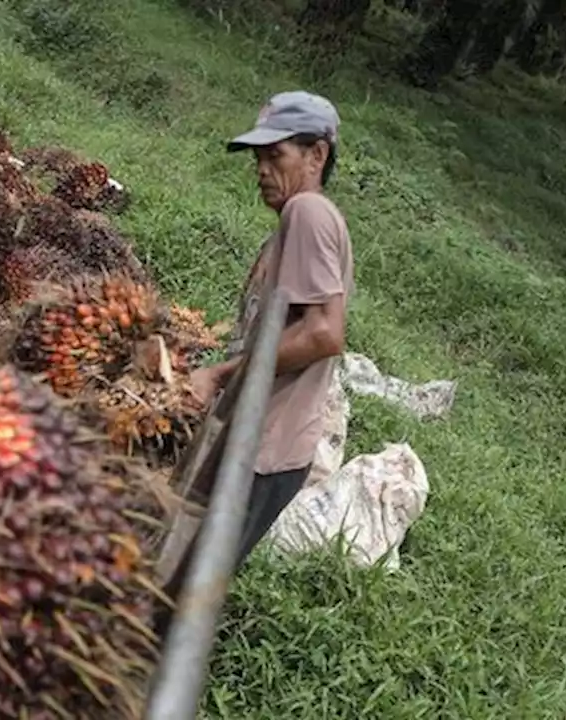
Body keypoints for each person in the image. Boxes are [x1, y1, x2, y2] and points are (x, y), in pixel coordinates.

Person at [188, 90, 355, 570]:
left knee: (185, 585)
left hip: (265, 452)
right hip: (261, 446)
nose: (261, 169)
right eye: (258, 158)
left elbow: (325, 333)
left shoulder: (309, 213)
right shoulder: (296, 221)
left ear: (316, 155)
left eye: (275, 155)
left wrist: (222, 375)